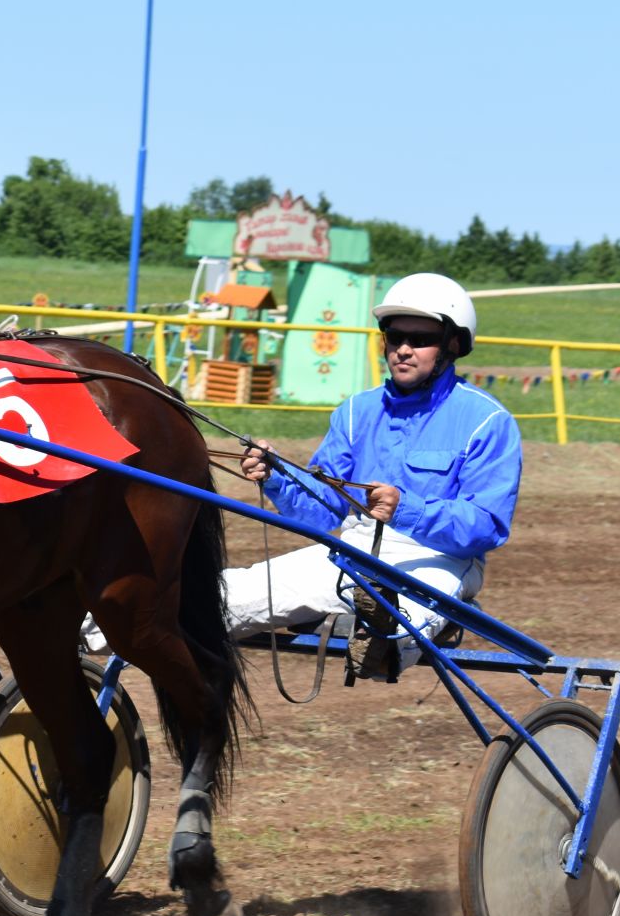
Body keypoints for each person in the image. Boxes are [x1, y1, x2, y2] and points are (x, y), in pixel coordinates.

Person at [222, 272, 523, 679]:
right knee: (219, 596)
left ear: (453, 344)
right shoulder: (355, 411)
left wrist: (407, 510)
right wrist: (276, 475)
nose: (403, 349)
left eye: (419, 340)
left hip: (441, 560)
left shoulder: (487, 420)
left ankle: (383, 632)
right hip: (353, 551)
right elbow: (326, 511)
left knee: (393, 633)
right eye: (394, 336)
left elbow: (486, 525)